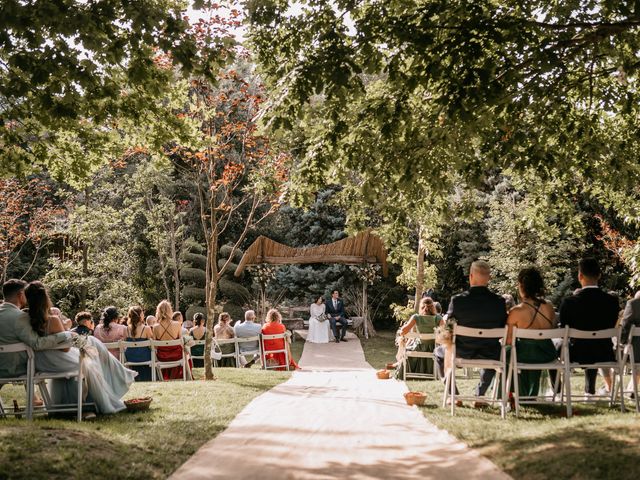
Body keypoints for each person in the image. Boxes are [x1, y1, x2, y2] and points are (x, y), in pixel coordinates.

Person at [25, 281, 136, 414]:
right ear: (45, 299)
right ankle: (121, 376)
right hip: (58, 360)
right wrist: (69, 334)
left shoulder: (25, 319)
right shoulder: (52, 320)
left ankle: (120, 373)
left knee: (91, 345)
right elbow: (65, 348)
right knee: (91, 357)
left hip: (41, 361)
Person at [434, 260, 508, 405]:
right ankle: (479, 395)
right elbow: (502, 328)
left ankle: (454, 396)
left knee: (438, 352)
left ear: (471, 276)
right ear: (489, 278)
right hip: (490, 353)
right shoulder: (499, 302)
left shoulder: (458, 301)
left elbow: (448, 327)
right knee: (497, 351)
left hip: (462, 351)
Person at [559, 258, 619, 395]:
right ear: (599, 275)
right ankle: (589, 392)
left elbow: (564, 330)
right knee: (592, 340)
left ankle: (558, 392)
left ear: (580, 276)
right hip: (605, 352)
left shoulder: (569, 302)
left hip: (577, 354)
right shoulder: (612, 302)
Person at [0, 279, 73, 379]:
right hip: (17, 368)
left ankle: (33, 395)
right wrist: (66, 335)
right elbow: (37, 343)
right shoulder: (20, 317)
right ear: (21, 294)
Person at [506, 268, 558, 397]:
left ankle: (511, 394)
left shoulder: (516, 311)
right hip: (546, 354)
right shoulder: (549, 307)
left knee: (507, 352)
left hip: (525, 355)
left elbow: (508, 341)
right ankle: (528, 394)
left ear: (521, 286)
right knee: (525, 350)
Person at [397, 297, 442, 377]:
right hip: (433, 348)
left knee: (406, 349)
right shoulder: (438, 318)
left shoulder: (416, 317)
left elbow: (403, 331)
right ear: (433, 307)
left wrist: (401, 331)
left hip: (419, 347)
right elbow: (446, 331)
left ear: (421, 307)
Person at [153, 300, 191, 380]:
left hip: (162, 357)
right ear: (170, 311)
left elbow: (155, 346)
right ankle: (182, 376)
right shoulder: (177, 324)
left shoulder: (155, 327)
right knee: (187, 355)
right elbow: (181, 342)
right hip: (177, 356)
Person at [123, 306, 153, 381]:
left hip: (131, 357)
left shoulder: (126, 329)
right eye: (143, 313)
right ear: (140, 316)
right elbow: (152, 345)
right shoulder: (146, 328)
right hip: (144, 357)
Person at [621, 291, 640, 396]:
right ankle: (631, 389)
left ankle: (630, 390)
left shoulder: (633, 304)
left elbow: (625, 325)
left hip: (636, 354)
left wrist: (622, 342)